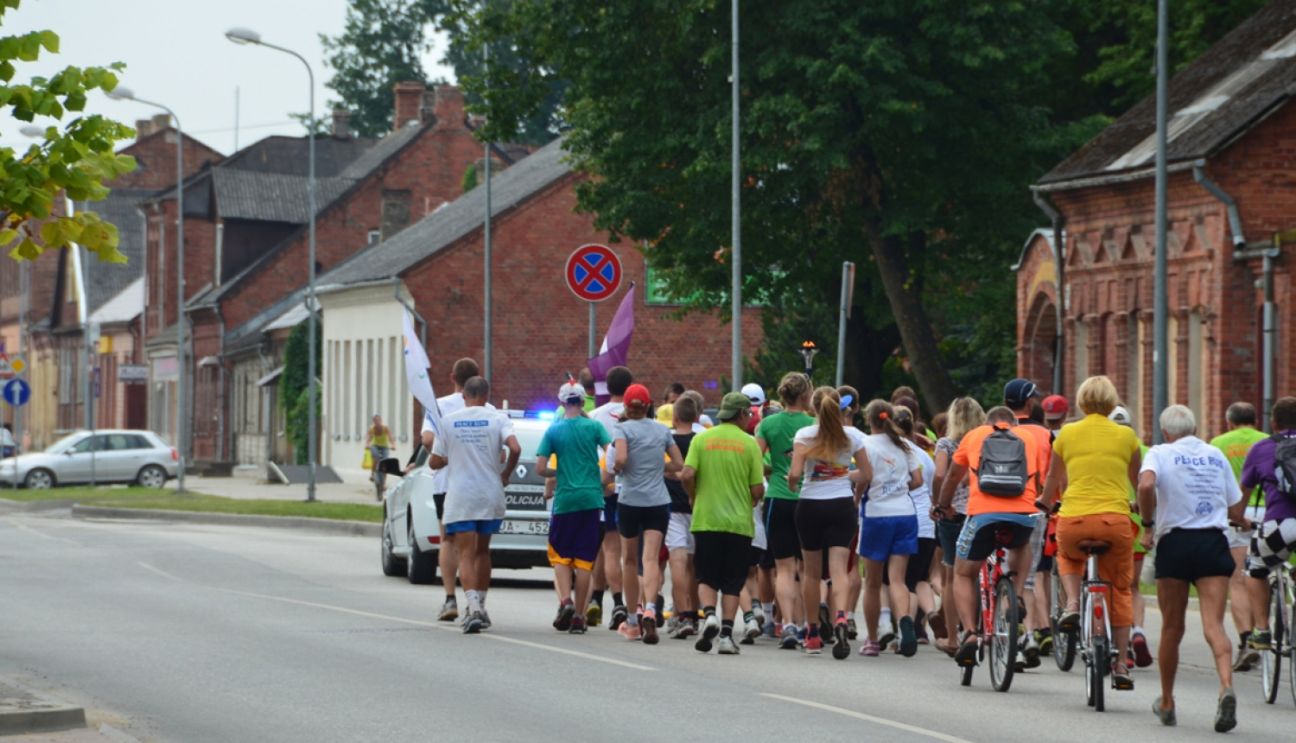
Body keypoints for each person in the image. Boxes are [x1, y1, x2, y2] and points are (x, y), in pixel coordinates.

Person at [1138, 405, 1245, 732]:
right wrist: (1239, 521)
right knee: (1214, 624)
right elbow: (1235, 506)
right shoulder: (1215, 454)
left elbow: (1145, 486)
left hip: (1176, 543)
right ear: (1195, 428)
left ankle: (1167, 701)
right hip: (1212, 541)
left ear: (1165, 432)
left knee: (1172, 627)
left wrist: (1147, 524)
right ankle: (1226, 686)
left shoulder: (1159, 452)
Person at [1039, 375, 1140, 690]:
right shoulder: (1127, 436)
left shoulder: (1067, 433)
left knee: (1067, 556)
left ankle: (1072, 603)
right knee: (1120, 590)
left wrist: (1044, 502)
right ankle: (1121, 664)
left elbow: (1053, 478)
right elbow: (1138, 482)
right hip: (1114, 523)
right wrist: (1142, 511)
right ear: (1112, 402)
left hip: (1075, 520)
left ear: (1082, 401)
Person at [935, 406, 1045, 669]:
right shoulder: (1028, 438)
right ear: (1013, 423)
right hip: (1022, 513)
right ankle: (1017, 595)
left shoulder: (974, 436)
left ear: (988, 421)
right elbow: (1039, 480)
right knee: (1022, 543)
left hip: (983, 515)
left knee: (963, 573)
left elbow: (952, 476)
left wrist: (943, 505)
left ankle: (970, 633)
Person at [428, 377, 520, 633]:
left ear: (464, 396)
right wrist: (506, 474)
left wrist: (449, 458)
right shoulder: (498, 418)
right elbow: (515, 448)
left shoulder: (448, 421)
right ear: (486, 396)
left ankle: (473, 608)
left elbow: (434, 461)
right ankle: (482, 604)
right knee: (482, 551)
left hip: (462, 496)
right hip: (489, 493)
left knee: (465, 553)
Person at [786, 386, 869, 658]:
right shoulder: (852, 436)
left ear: (814, 407)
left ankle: (812, 633)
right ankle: (841, 617)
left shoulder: (804, 435)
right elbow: (867, 473)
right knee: (839, 570)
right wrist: (846, 480)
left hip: (810, 505)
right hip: (841, 505)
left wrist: (791, 482)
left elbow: (795, 474)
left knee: (811, 573)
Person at [681, 392, 765, 655]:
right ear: (741, 414)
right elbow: (757, 488)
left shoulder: (701, 439)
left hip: (706, 520)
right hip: (738, 523)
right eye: (748, 414)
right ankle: (727, 635)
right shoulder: (750, 444)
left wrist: (693, 495)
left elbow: (687, 473)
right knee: (733, 581)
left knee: (706, 576)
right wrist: (753, 498)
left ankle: (709, 616)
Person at [611, 383, 684, 644]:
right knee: (650, 558)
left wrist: (619, 468)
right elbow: (679, 463)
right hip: (657, 501)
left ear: (626, 406)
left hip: (630, 501)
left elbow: (620, 459)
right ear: (649, 405)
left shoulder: (622, 429)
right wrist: (659, 468)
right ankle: (651, 607)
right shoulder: (662, 430)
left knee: (630, 561)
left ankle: (633, 620)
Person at [537, 382, 613, 634]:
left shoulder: (553, 430)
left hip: (565, 501)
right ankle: (579, 617)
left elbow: (540, 468)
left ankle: (565, 601)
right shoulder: (594, 427)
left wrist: (559, 472)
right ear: (582, 402)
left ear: (562, 403)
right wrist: (601, 475)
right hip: (591, 499)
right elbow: (611, 453)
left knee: (560, 555)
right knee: (584, 561)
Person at [857, 399, 923, 658]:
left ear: (869, 419)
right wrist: (899, 489)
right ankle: (905, 622)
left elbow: (864, 477)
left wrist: (856, 496)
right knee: (898, 579)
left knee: (873, 583)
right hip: (905, 514)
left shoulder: (864, 444)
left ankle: (873, 640)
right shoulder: (904, 445)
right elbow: (917, 480)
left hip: (877, 515)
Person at [755, 372, 814, 649]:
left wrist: (771, 470)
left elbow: (754, 460)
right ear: (805, 395)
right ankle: (805, 625)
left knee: (783, 568)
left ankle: (786, 623)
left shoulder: (768, 424)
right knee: (807, 568)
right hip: (809, 498)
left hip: (778, 497)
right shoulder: (814, 424)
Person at [1210, 400, 1269, 672]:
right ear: (1256, 421)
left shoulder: (1218, 444)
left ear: (1229, 423)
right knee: (1263, 574)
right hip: (1271, 512)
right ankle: (1265, 625)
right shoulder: (1267, 441)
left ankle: (1248, 638)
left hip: (1237, 512)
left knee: (1238, 579)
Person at [427, 357, 485, 622]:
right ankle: (477, 602)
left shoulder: (438, 406)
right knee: (478, 546)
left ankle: (450, 598)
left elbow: (427, 439)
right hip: (479, 483)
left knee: (448, 540)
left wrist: (447, 453)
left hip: (445, 482)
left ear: (453, 378)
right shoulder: (488, 407)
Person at [1004, 378, 1054, 668]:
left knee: (1006, 575)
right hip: (1035, 506)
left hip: (999, 507)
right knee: (1030, 576)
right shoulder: (1045, 435)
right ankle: (1031, 634)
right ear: (1029, 402)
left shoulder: (999, 431)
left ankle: (1014, 637)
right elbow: (1055, 475)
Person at [931, 397, 985, 656]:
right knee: (979, 573)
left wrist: (939, 503)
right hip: (981, 511)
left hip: (953, 514)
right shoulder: (985, 441)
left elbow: (940, 475)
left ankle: (953, 638)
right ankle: (982, 626)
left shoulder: (946, 444)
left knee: (951, 577)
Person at [1242, 396, 1296, 655]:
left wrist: (1239, 519)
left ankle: (1262, 630)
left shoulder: (1262, 448)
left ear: (1273, 423)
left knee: (1256, 566)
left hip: (1280, 525)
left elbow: (1240, 499)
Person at [1109, 405, 1153, 668]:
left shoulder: (1103, 448)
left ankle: (1119, 646)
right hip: (1137, 524)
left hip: (1109, 519)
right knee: (1132, 587)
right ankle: (1138, 631)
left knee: (1109, 586)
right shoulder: (1145, 451)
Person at [590, 365, 632, 629]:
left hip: (602, 485)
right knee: (618, 551)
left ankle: (601, 599)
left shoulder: (595, 415)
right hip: (629, 487)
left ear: (607, 386)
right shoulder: (636, 415)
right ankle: (612, 601)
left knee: (603, 548)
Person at [895, 406, 940, 649]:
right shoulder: (924, 456)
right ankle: (931, 613)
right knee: (921, 577)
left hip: (903, 519)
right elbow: (931, 492)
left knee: (903, 582)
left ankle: (908, 630)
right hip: (926, 523)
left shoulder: (892, 451)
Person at [664, 395, 701, 639]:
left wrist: (672, 474)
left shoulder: (668, 442)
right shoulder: (701, 440)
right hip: (697, 506)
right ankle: (695, 614)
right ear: (696, 416)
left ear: (675, 418)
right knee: (694, 565)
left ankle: (682, 614)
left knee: (677, 562)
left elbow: (662, 469)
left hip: (673, 507)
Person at [365, 414, 393, 490]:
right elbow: (369, 437)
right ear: (373, 422)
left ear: (381, 421)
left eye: (379, 420)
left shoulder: (385, 428)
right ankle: (373, 474)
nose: (377, 422)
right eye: (375, 421)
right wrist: (367, 444)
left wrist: (393, 445)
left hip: (384, 447)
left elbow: (390, 436)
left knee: (385, 463)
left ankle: (383, 484)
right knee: (376, 458)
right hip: (375, 446)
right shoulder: (372, 428)